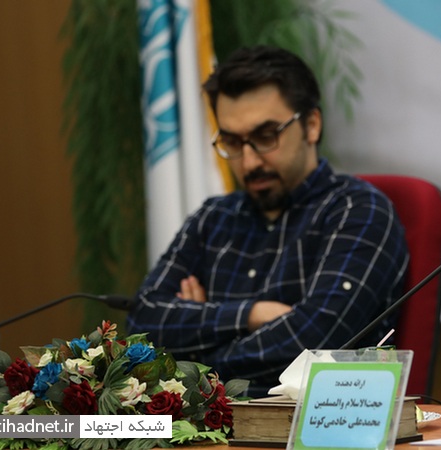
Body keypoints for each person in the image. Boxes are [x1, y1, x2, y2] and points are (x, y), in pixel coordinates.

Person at [127, 46, 409, 397]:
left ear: (311, 125)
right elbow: (142, 322)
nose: (249, 162)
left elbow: (312, 344)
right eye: (232, 141)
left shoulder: (358, 211)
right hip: (206, 420)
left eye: (265, 137)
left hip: (310, 422)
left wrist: (192, 353)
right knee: (75, 423)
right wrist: (251, 314)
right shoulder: (212, 218)